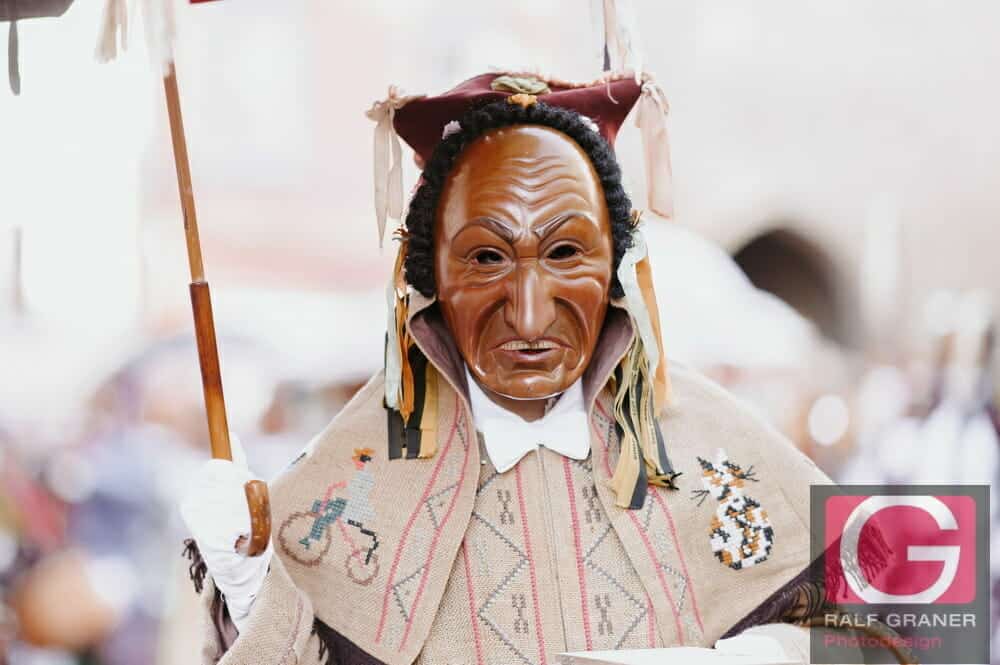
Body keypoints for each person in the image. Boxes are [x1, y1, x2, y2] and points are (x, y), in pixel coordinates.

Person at [180, 72, 861, 665]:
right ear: (428, 276)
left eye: (565, 253)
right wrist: (252, 591)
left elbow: (890, 625)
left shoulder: (710, 437)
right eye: (486, 258)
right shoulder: (354, 474)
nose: (531, 317)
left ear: (616, 267)